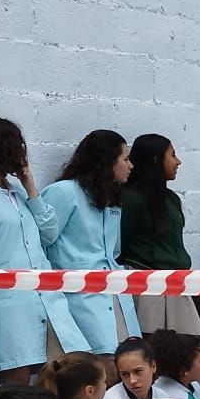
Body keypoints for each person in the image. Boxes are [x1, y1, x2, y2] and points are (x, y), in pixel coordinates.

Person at [0, 115, 82, 384]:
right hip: (4, 301)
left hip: (44, 298)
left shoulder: (16, 189)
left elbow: (49, 233)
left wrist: (30, 187)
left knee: (65, 375)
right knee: (15, 383)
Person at [38, 129, 140, 358]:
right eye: (125, 158)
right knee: (98, 364)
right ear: (107, 161)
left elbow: (113, 251)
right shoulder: (64, 192)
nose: (131, 165)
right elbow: (43, 239)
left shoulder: (112, 197)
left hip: (113, 291)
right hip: (79, 295)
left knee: (125, 359)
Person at [119, 133, 200, 337]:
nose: (178, 161)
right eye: (173, 155)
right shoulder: (131, 199)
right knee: (151, 347)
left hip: (176, 283)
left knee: (188, 348)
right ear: (156, 159)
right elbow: (120, 244)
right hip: (147, 287)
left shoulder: (171, 199)